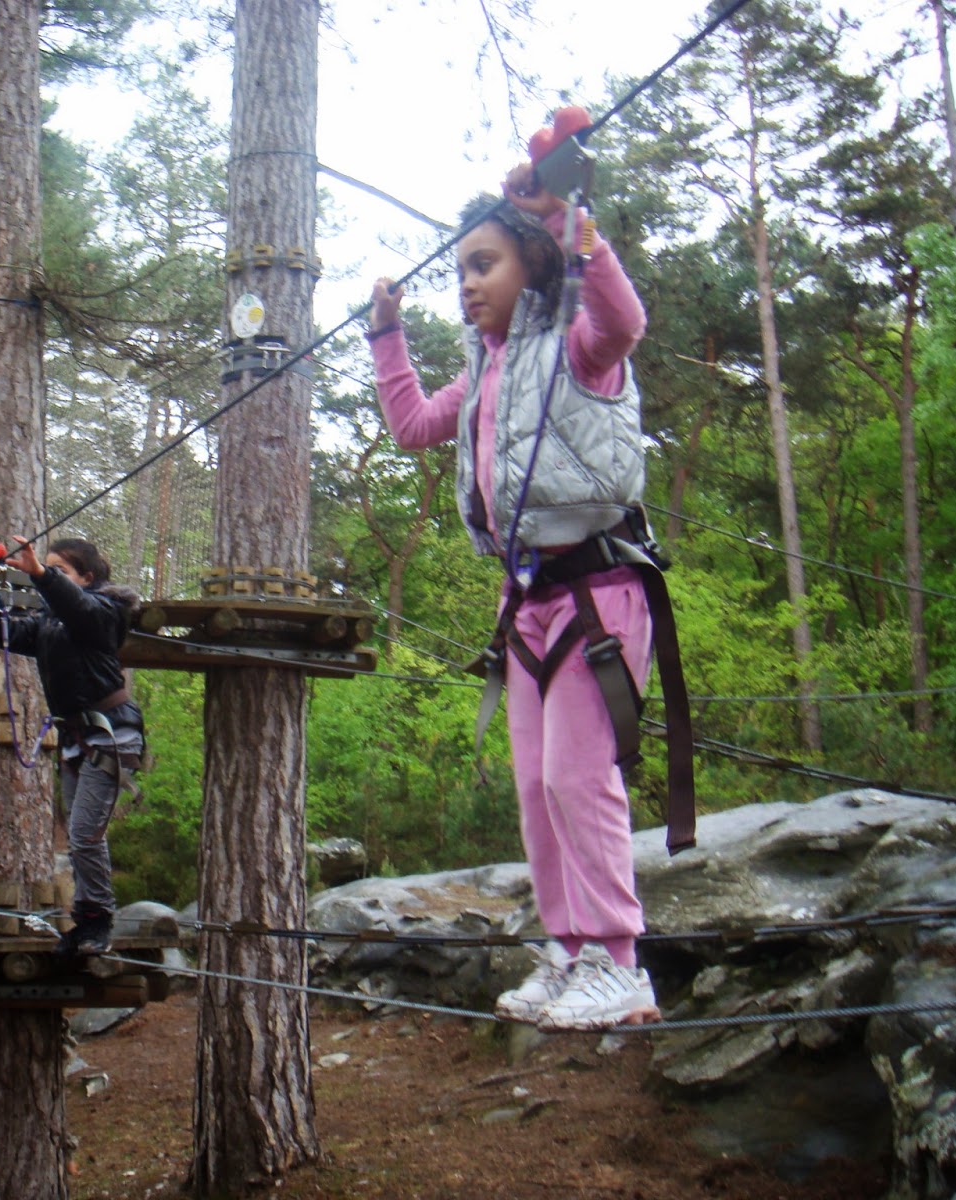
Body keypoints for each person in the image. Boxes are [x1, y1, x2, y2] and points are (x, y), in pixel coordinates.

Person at [366, 157, 661, 1031]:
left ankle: (618, 963)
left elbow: (625, 321)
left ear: (532, 261)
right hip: (526, 604)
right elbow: (412, 425)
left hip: (598, 592)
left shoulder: (577, 346)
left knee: (578, 778)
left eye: (483, 264)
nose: (466, 285)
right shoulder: (485, 372)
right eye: (460, 269)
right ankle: (568, 952)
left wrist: (575, 230)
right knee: (536, 786)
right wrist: (387, 334)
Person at [0, 536, 143, 957]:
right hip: (77, 737)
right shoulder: (49, 621)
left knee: (85, 835)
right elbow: (4, 634)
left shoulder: (108, 611)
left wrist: (40, 574)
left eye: (61, 570)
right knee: (79, 837)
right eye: (49, 569)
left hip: (112, 734)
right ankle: (86, 922)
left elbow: (80, 609)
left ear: (86, 577)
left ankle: (97, 921)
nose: (50, 576)